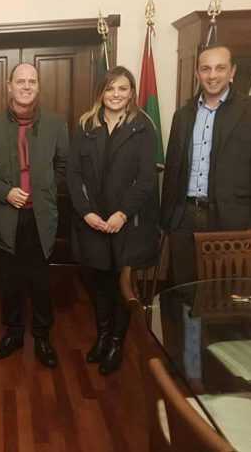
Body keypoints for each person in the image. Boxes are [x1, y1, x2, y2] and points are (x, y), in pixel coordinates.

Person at [0, 63, 68, 368]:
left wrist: (44, 191)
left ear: (38, 86)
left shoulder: (56, 124)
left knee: (40, 282)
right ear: (9, 86)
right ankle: (13, 334)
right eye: (21, 81)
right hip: (5, 218)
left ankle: (42, 337)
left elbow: (64, 168)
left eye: (32, 81)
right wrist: (4, 192)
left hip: (41, 218)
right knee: (9, 281)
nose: (26, 86)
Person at [67, 66, 160, 375]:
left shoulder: (142, 127)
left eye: (122, 88)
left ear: (131, 92)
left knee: (121, 285)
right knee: (98, 284)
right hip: (93, 222)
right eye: (110, 88)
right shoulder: (86, 125)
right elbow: (73, 175)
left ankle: (117, 343)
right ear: (101, 93)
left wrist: (122, 214)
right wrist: (87, 212)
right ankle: (103, 336)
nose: (116, 94)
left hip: (126, 223)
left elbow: (146, 180)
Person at [161, 44, 251, 284]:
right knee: (185, 289)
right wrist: (168, 220)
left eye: (220, 68)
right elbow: (172, 171)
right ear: (197, 73)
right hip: (184, 219)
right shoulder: (182, 115)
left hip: (233, 222)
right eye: (206, 69)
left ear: (232, 72)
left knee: (225, 291)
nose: (212, 75)